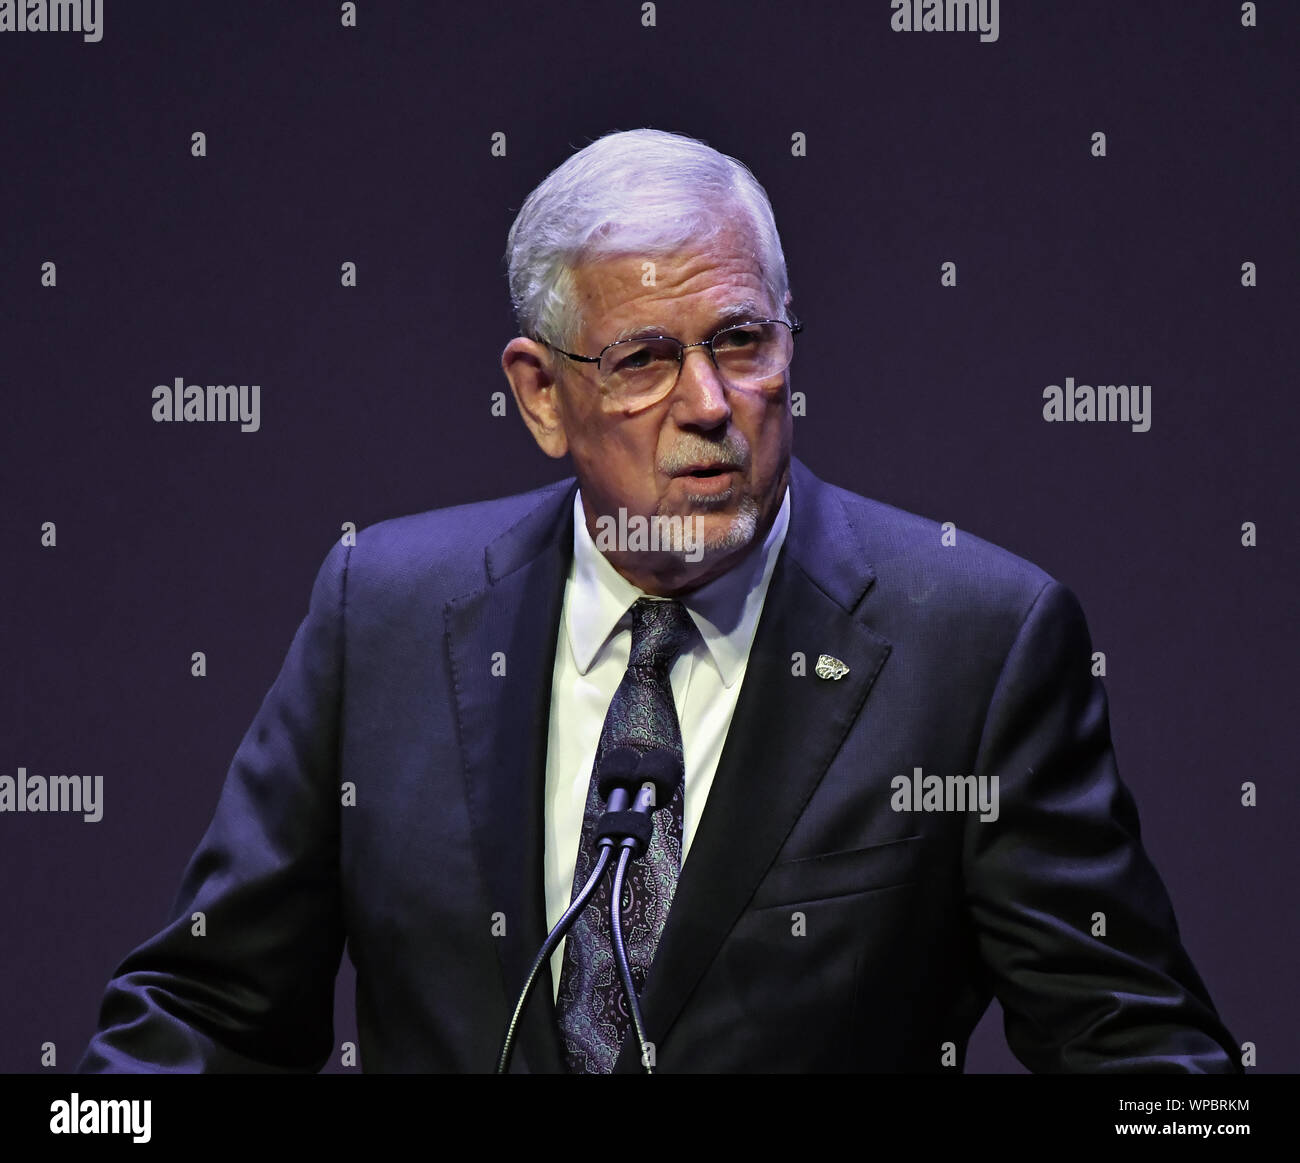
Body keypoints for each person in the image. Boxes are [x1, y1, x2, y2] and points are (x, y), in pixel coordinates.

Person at [80, 128, 1239, 1073]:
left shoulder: (974, 646)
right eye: (642, 358)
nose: (709, 402)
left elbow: (1137, 1053)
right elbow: (209, 1012)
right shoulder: (379, 613)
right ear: (540, 395)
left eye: (741, 340)